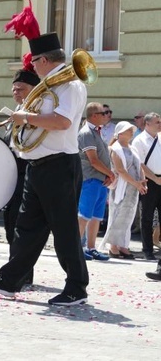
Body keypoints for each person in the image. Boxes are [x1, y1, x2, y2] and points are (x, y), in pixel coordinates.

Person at [0, 8, 89, 307]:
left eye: (35, 61)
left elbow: (63, 122)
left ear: (44, 60)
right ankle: (10, 279)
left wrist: (25, 117)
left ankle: (76, 287)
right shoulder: (47, 86)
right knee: (26, 228)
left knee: (64, 230)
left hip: (59, 165)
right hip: (39, 165)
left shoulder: (69, 84)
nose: (32, 66)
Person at [3, 66, 41, 286]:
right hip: (12, 177)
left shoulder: (33, 115)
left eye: (21, 88)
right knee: (11, 224)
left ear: (33, 90)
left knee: (22, 226)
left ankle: (23, 273)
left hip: (27, 175)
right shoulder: (16, 113)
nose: (16, 92)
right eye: (14, 88)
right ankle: (14, 270)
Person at [100, 121, 146, 258]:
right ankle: (113, 246)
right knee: (118, 215)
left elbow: (140, 166)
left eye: (132, 130)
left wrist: (142, 182)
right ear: (119, 133)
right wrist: (136, 183)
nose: (131, 132)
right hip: (121, 186)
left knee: (128, 216)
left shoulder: (133, 148)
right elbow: (120, 170)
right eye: (128, 130)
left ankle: (123, 245)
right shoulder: (115, 148)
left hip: (133, 187)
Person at [77, 102, 115, 261]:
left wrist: (107, 175)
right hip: (90, 178)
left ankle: (91, 248)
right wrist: (110, 174)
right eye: (103, 113)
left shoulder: (96, 132)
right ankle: (77, 247)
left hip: (99, 179)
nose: (107, 115)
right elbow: (93, 160)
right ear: (94, 115)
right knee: (84, 215)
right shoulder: (86, 133)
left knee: (96, 216)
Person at [131, 112, 161, 260]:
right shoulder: (139, 140)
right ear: (147, 124)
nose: (160, 124)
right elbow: (140, 164)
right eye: (157, 122)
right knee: (147, 218)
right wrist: (155, 178)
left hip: (160, 180)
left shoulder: (160, 138)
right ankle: (147, 250)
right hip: (149, 181)